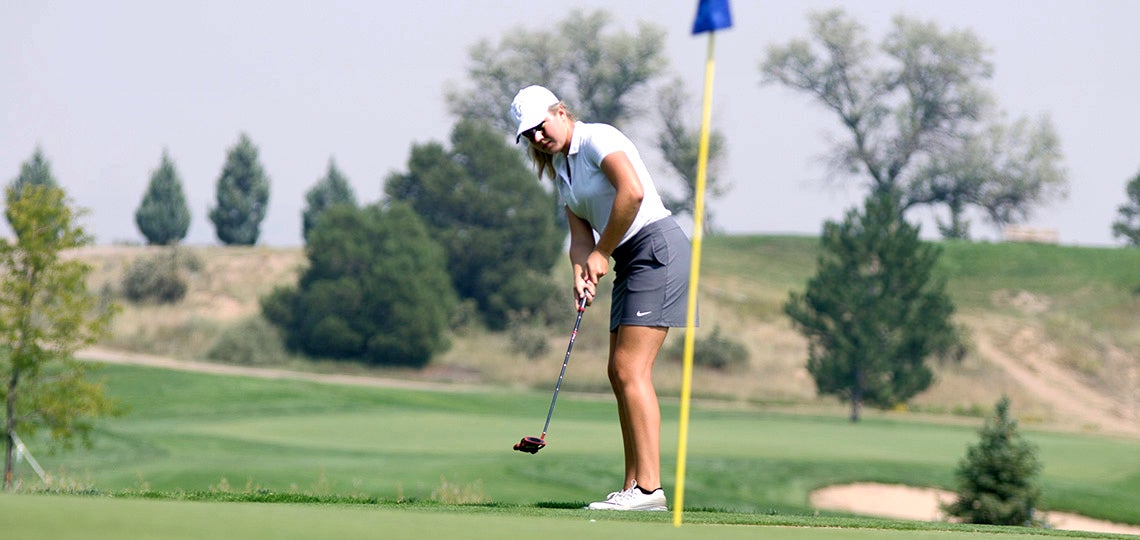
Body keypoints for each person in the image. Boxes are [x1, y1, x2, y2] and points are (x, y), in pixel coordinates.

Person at [510, 85, 695, 511]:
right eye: (529, 134)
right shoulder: (562, 171)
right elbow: (579, 237)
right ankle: (633, 486)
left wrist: (601, 253)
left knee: (631, 368)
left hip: (656, 250)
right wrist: (581, 270)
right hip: (631, 257)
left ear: (560, 112)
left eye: (541, 126)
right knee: (618, 372)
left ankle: (650, 490)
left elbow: (632, 193)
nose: (538, 137)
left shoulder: (598, 138)